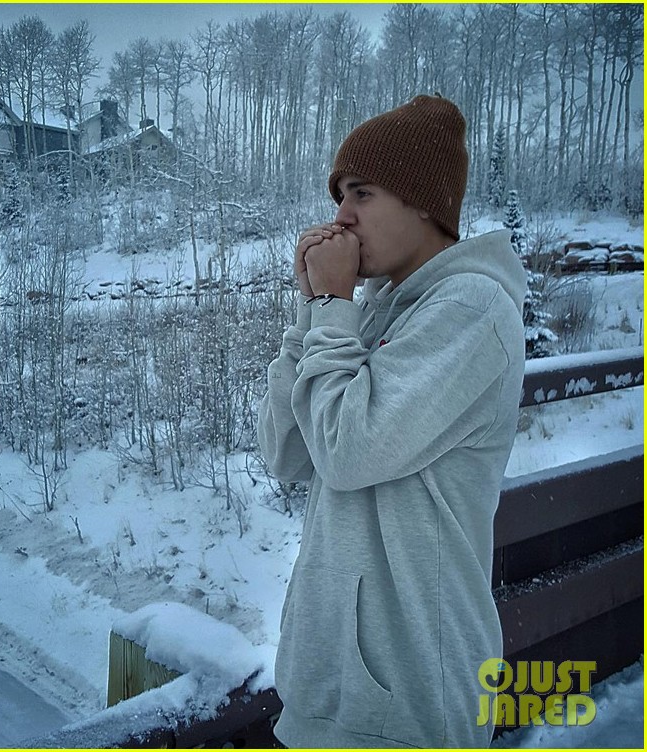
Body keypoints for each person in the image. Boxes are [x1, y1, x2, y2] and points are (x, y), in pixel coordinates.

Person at [257, 94, 527, 748]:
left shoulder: (471, 309)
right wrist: (312, 316)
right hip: (329, 693)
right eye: (338, 196)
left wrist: (329, 303)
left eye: (361, 193)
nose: (340, 218)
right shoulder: (375, 308)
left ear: (423, 202)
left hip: (405, 706)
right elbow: (288, 454)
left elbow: (349, 451)